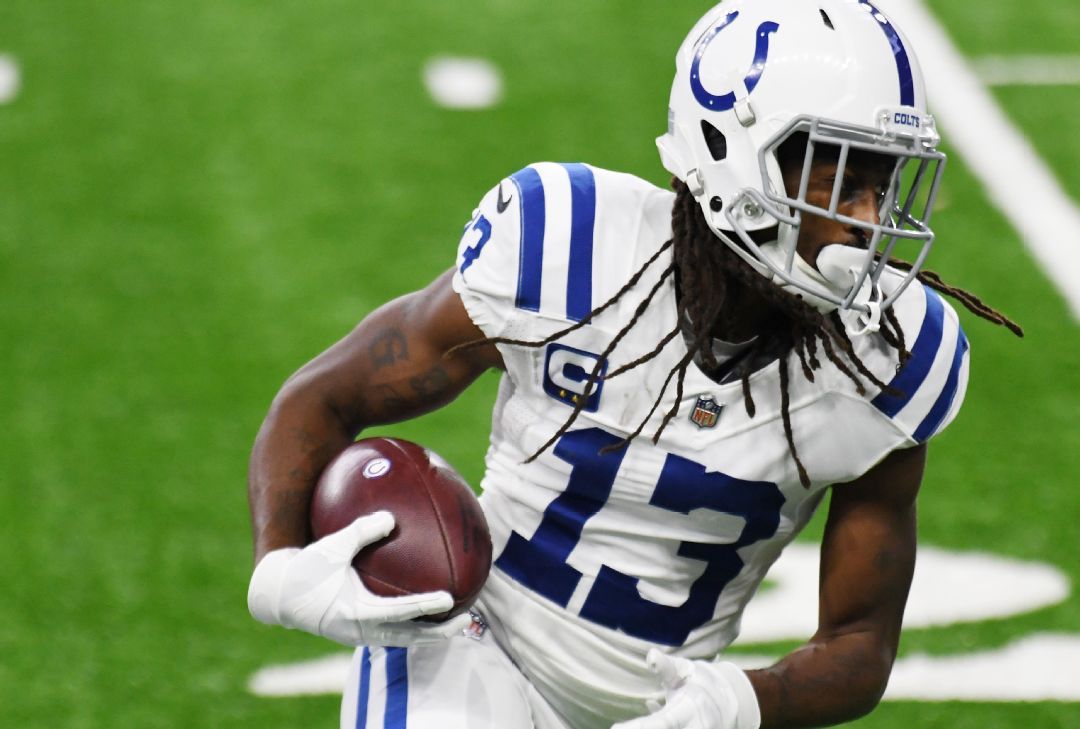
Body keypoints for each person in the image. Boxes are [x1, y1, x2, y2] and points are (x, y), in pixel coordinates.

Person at [246, 0, 1021, 727]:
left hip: (666, 708)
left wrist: (744, 701)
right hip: (472, 647)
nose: (866, 219)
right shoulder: (570, 252)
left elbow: (861, 640)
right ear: (734, 155)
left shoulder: (889, 355)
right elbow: (326, 397)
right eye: (838, 174)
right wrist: (280, 563)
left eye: (881, 184)